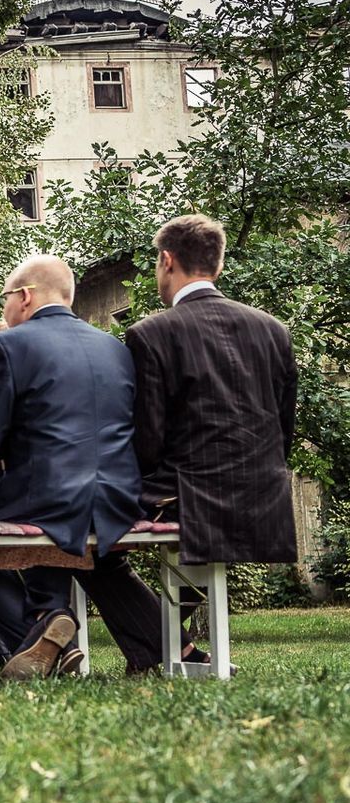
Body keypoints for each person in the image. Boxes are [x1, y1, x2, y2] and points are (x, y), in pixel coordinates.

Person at [0, 254, 186, 680]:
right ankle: (172, 648)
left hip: (44, 495)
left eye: (5, 298)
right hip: (118, 495)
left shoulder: (6, 345)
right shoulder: (115, 346)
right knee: (95, 554)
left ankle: (44, 617)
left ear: (25, 296)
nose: (4, 309)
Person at [127, 214, 298, 566]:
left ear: (167, 260)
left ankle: (154, 625)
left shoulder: (151, 333)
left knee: (88, 542)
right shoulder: (273, 330)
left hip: (186, 495)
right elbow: (283, 426)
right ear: (217, 265)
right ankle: (169, 625)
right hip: (265, 493)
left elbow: (148, 439)